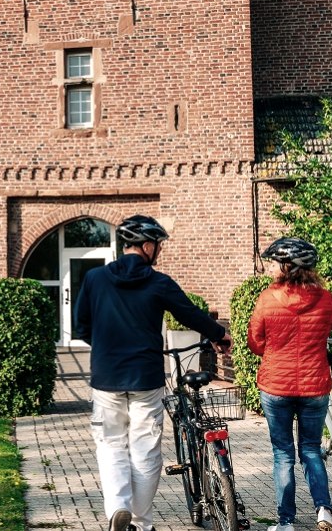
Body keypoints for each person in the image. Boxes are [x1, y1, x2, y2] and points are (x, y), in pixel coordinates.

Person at [73, 215, 232, 531]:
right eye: (157, 244)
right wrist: (219, 334)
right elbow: (190, 314)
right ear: (146, 246)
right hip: (146, 377)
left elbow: (81, 327)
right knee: (146, 451)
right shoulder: (159, 282)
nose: (158, 250)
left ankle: (118, 507)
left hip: (106, 377)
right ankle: (141, 523)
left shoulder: (95, 279)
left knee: (110, 444)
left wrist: (106, 348)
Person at [247, 237, 332, 531]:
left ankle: (286, 522)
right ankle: (324, 511)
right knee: (310, 449)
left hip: (276, 386)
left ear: (284, 267)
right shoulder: (325, 300)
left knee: (282, 453)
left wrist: (273, 350)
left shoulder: (267, 299)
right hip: (314, 386)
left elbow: (255, 343)